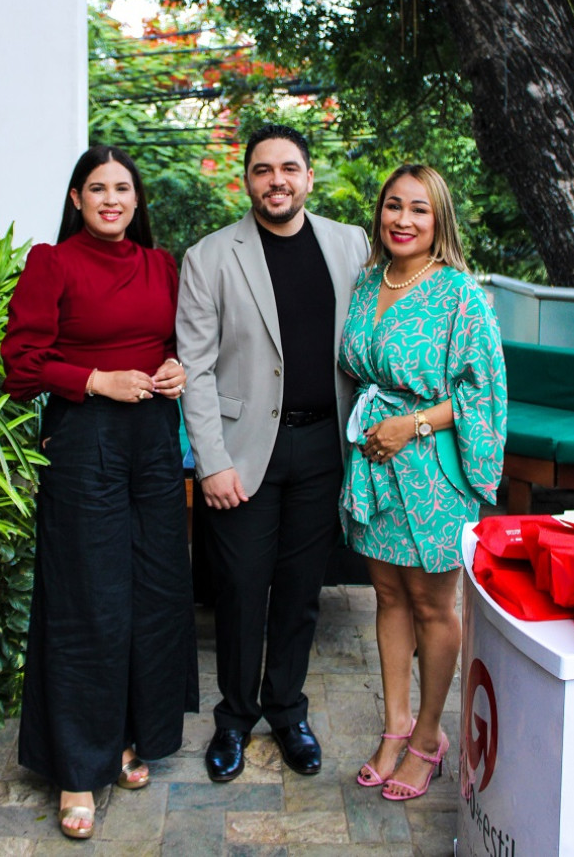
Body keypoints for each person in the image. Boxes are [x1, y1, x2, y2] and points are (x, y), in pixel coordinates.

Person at [1, 144, 198, 840]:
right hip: (85, 440)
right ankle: (76, 769)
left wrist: (174, 368)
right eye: (97, 188)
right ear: (77, 199)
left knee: (152, 589)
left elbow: (181, 341)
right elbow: (21, 366)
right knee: (88, 598)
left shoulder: (162, 265)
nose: (111, 199)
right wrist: (94, 379)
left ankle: (125, 734)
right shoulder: (51, 263)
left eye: (122, 188)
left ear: (137, 200)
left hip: (152, 442)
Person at [176, 123, 370, 782]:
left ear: (308, 176)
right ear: (247, 179)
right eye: (263, 169)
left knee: (299, 592)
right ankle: (234, 717)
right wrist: (211, 460)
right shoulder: (209, 256)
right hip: (242, 451)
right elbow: (195, 369)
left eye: (289, 167)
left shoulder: (351, 245)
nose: (276, 180)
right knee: (238, 590)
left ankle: (288, 709)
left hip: (325, 444)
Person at [339, 163, 506, 801]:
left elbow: (482, 390)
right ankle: (393, 727)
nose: (402, 220)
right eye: (392, 207)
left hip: (431, 466)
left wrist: (411, 425)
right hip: (373, 464)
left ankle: (429, 736)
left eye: (418, 209)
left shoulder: (461, 294)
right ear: (378, 214)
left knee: (435, 605)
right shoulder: (364, 283)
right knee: (387, 598)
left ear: (439, 221)